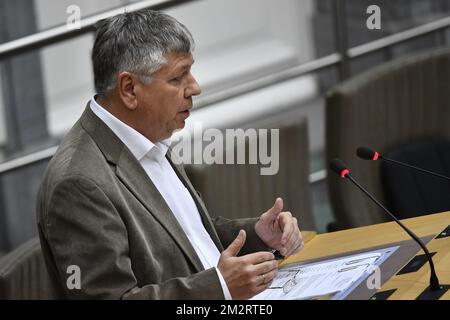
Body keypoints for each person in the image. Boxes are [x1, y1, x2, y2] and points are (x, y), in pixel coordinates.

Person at [36, 8, 304, 300]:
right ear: (129, 89)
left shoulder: (147, 135)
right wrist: (220, 288)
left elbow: (186, 241)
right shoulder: (78, 183)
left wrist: (257, 235)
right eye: (178, 78)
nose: (195, 88)